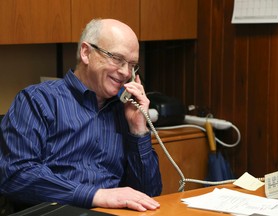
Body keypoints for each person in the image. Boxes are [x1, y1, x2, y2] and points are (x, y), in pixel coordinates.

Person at [0, 18, 162, 212]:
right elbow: (15, 175)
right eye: (117, 59)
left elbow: (149, 194)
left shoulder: (125, 110)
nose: (125, 72)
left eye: (132, 64)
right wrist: (96, 195)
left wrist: (138, 129)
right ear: (86, 53)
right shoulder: (38, 100)